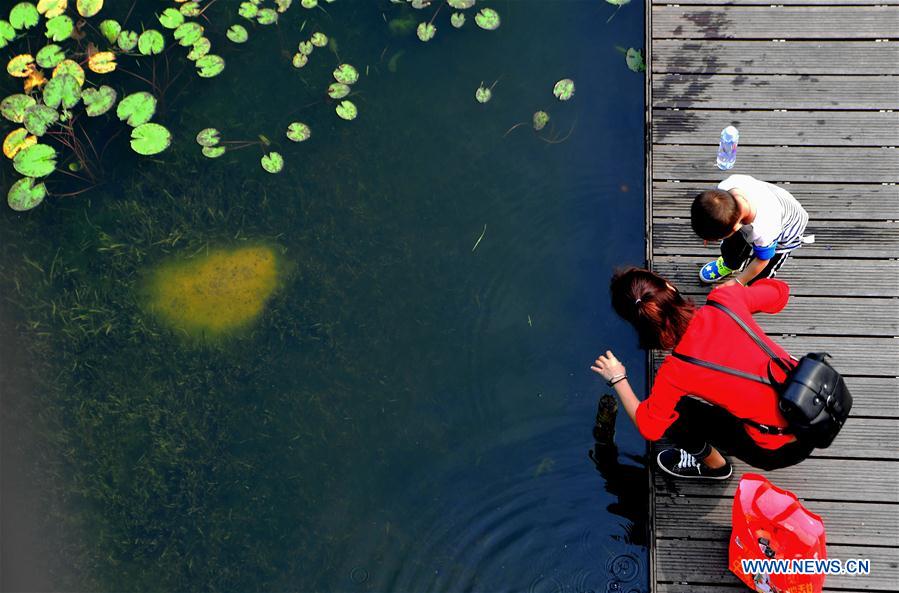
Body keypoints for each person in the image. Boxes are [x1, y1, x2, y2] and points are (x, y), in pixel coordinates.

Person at [590, 267, 814, 479]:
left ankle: (716, 467)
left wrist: (618, 378)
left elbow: (650, 428)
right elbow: (780, 292)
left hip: (779, 450)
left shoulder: (675, 371)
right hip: (813, 405)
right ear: (669, 287)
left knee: (676, 414)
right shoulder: (724, 300)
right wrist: (737, 287)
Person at [692, 174, 810, 287]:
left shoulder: (765, 229)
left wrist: (739, 281)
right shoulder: (726, 188)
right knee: (731, 248)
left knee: (763, 270)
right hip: (768, 199)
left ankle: (752, 287)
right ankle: (730, 264)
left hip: (787, 228)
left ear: (735, 228)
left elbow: (762, 260)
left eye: (717, 239)